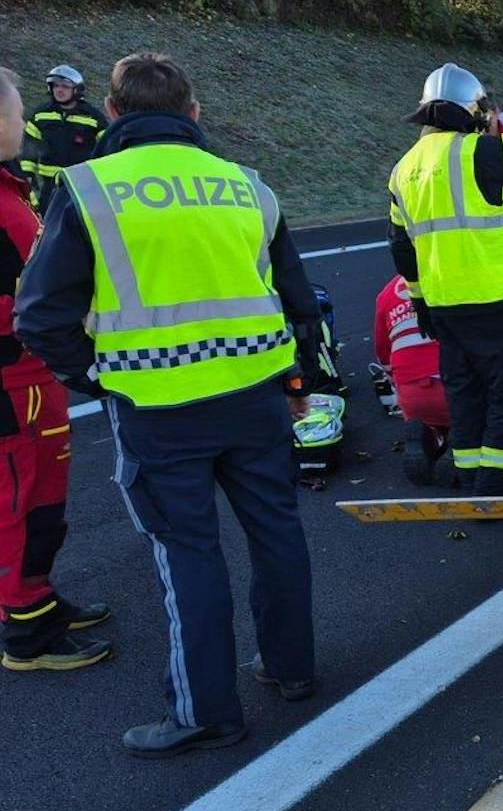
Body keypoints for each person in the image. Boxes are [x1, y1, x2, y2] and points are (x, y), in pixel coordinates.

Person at [17, 52, 327, 757]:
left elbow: (40, 317)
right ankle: (292, 669)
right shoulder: (248, 186)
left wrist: (102, 375)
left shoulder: (90, 187)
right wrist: (300, 387)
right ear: (193, 114)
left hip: (159, 410)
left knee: (188, 553)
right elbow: (300, 306)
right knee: (277, 532)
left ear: (114, 113)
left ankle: (207, 712)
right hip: (257, 399)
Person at [388, 63, 503, 493]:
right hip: (491, 297)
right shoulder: (479, 152)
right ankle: (495, 482)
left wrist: (419, 300)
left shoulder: (402, 170)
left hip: (443, 303)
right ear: (472, 111)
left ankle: (466, 473)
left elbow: (401, 246)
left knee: (464, 389)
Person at [0, 68, 112, 672]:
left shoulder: (11, 194)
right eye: (17, 115)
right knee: (14, 503)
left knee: (44, 497)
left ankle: (35, 598)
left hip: (33, 378)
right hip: (11, 381)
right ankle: (24, 631)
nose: (25, 124)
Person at [373, 273, 449, 484]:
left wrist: (395, 380)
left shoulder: (386, 293)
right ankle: (458, 444)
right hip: (449, 383)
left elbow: (382, 350)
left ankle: (426, 433)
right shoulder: (448, 278)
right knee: (476, 414)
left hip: (409, 389)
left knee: (424, 413)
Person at [21, 64, 106, 209]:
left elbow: (107, 147)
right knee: (46, 225)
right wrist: (27, 177)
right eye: (56, 86)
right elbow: (28, 149)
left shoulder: (93, 117)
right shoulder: (40, 115)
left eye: (65, 86)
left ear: (76, 90)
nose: (59, 90)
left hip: (81, 187)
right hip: (48, 186)